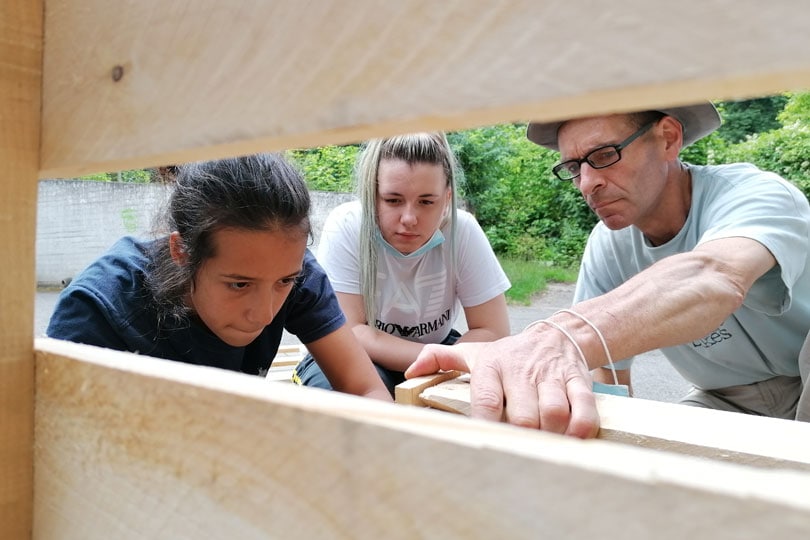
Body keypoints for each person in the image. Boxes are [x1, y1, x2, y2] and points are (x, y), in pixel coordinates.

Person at [406, 102, 810, 436]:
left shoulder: (755, 195)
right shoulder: (608, 245)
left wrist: (558, 337)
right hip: (726, 398)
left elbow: (714, 277)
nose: (587, 184)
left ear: (668, 138)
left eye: (603, 156)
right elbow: (608, 377)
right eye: (575, 167)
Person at [47, 153, 391, 401]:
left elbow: (365, 388)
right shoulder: (96, 313)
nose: (265, 314)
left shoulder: (295, 269)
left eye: (284, 282)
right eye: (239, 284)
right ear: (181, 251)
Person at [294, 132, 511, 395]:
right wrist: (439, 358)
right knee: (351, 409)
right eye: (393, 200)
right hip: (354, 355)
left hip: (438, 351)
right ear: (371, 195)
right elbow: (348, 331)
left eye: (426, 202)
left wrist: (441, 358)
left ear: (447, 199)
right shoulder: (347, 225)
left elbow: (493, 330)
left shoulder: (462, 229)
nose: (409, 218)